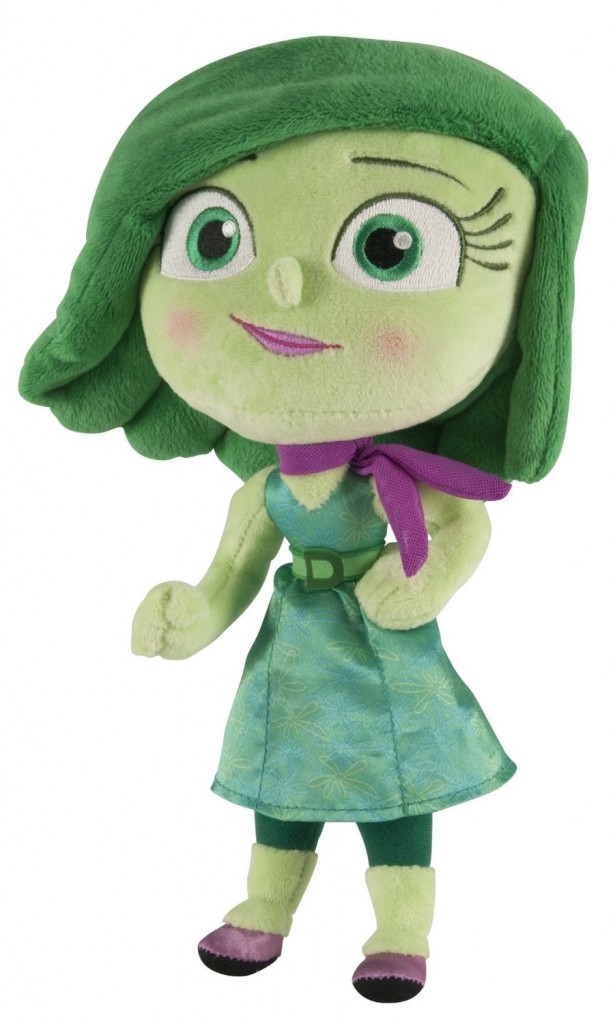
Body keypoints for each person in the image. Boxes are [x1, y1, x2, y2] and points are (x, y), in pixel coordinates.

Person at [19, 36, 587, 1003]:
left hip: (385, 652)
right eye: (214, 239)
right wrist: (195, 613)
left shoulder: (401, 476)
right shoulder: (263, 491)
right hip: (293, 656)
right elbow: (233, 571)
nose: (282, 284)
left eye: (390, 245)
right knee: (281, 780)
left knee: (395, 787)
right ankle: (262, 910)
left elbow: (465, 527)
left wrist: (427, 576)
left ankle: (400, 931)